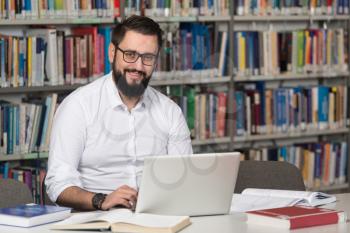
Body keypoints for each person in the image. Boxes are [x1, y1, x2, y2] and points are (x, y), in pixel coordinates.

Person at [45, 15, 193, 211]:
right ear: (112, 53)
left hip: (156, 218)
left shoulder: (170, 111)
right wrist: (101, 200)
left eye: (148, 57)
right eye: (130, 54)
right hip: (95, 218)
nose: (138, 66)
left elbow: (184, 179)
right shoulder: (78, 106)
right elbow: (58, 184)